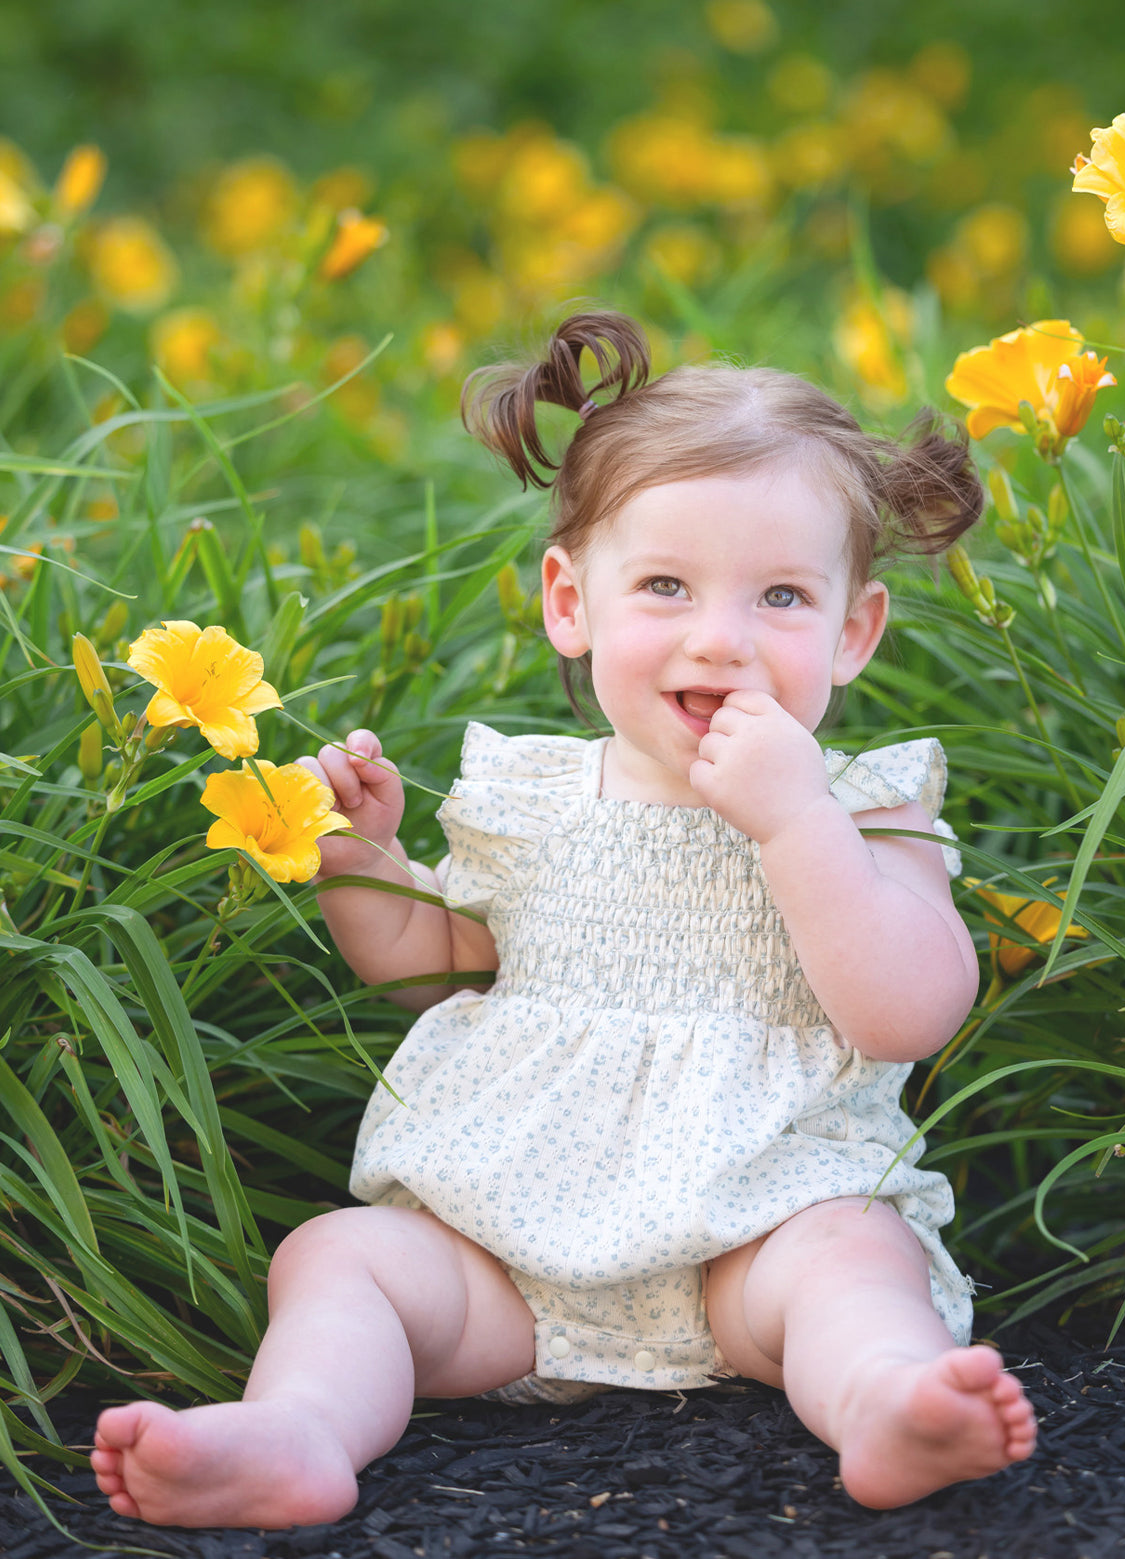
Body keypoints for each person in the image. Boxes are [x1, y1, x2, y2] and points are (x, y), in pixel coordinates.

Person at [92, 310, 1037, 1529]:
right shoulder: (532, 794)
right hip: (508, 1246)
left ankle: (886, 1400)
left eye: (782, 596)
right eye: (665, 586)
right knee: (335, 1257)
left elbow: (908, 1010)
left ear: (853, 630)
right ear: (569, 600)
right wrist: (363, 860)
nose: (721, 638)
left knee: (854, 1260)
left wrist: (798, 822)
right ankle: (298, 1427)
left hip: (760, 1232)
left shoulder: (866, 804)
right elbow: (436, 966)